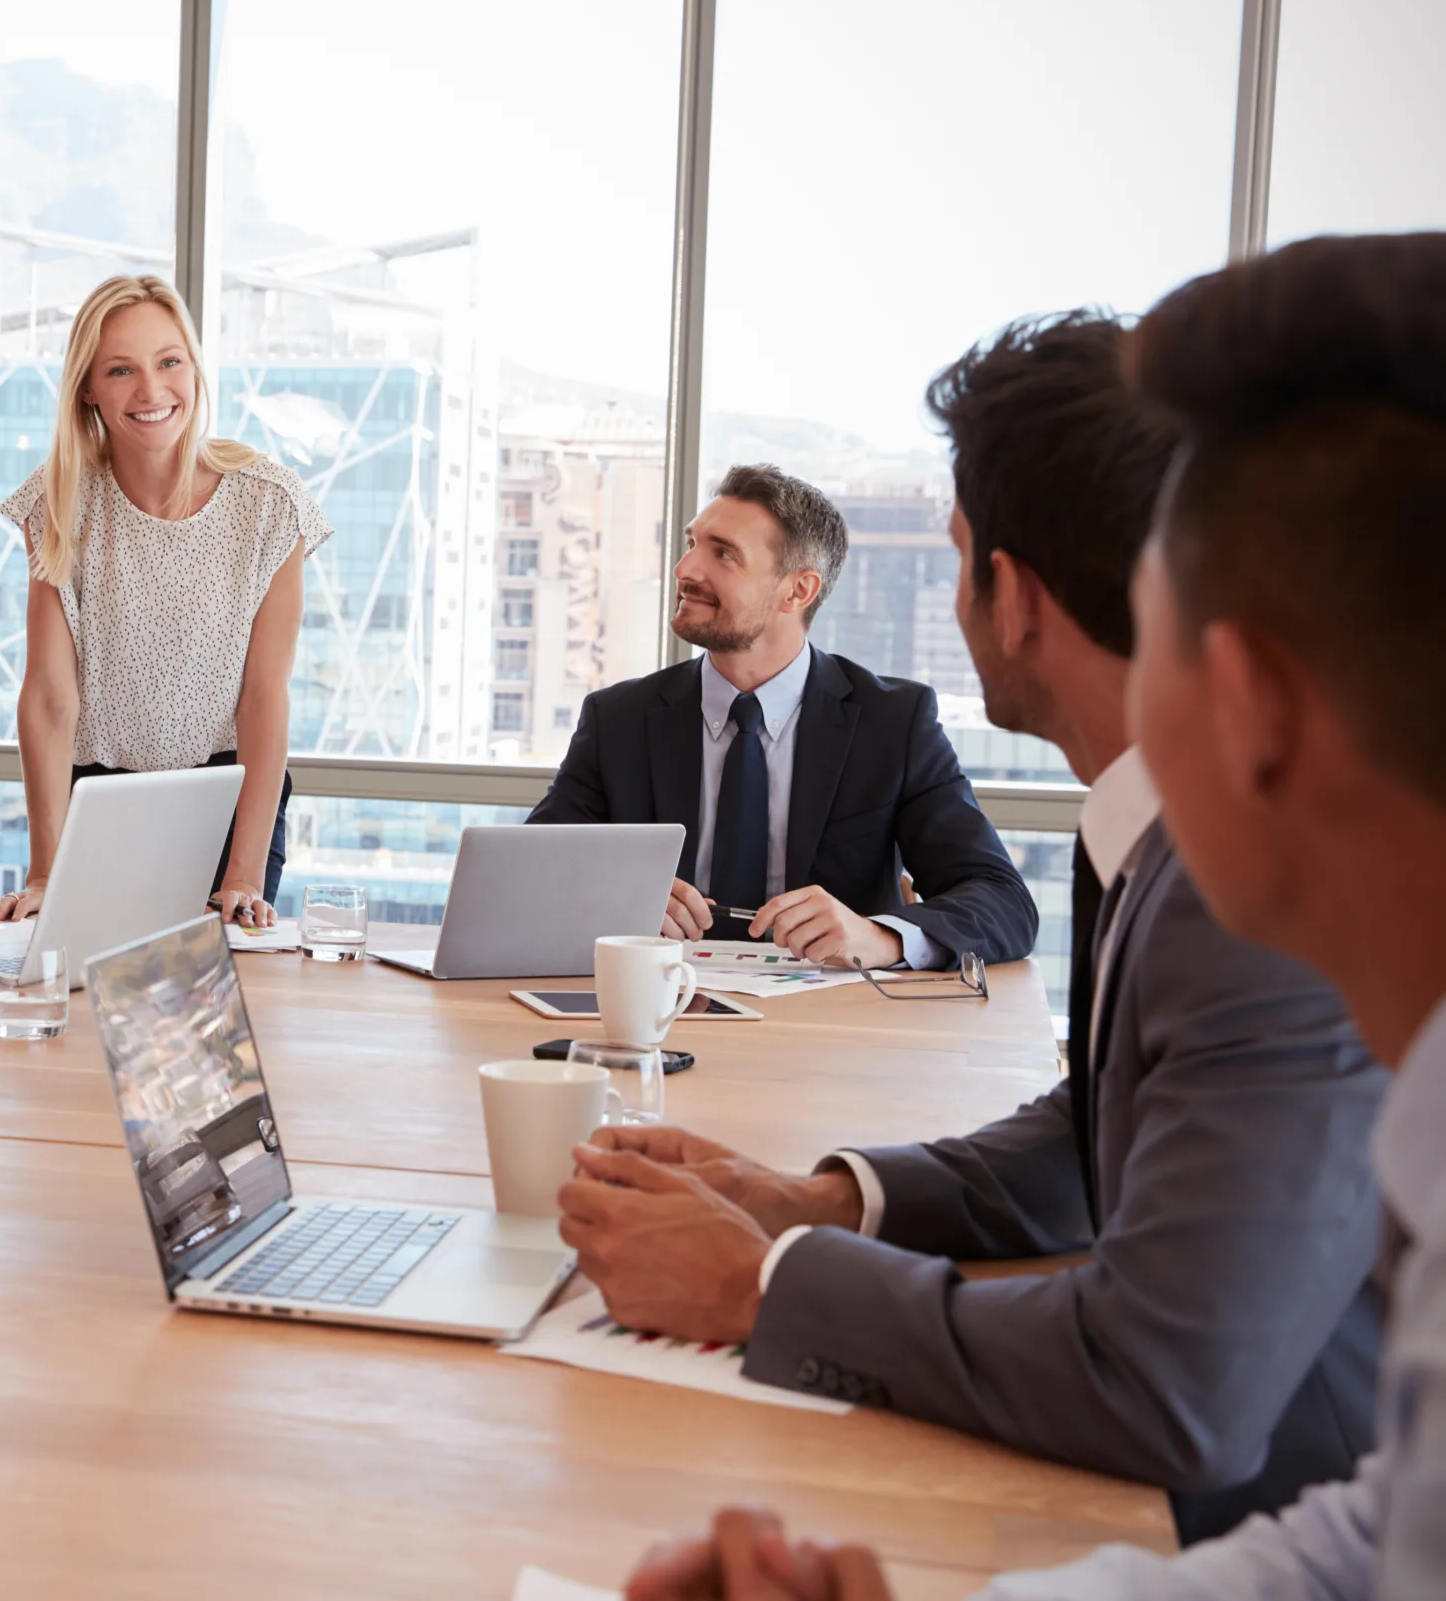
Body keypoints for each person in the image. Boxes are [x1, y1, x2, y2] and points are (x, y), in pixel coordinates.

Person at [621, 234, 1446, 1601]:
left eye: (1173, 600)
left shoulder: (1244, 914)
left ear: (1251, 697)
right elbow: (1382, 1539)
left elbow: (1175, 1379)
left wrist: (776, 1268)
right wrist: (820, 1198)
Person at [528, 464, 1035, 967]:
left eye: (722, 554)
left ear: (798, 591)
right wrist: (615, 898)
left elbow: (1002, 901)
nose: (685, 571)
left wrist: (879, 937)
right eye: (692, 545)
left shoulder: (892, 722)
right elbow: (527, 872)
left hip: (829, 1027)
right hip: (659, 1011)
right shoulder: (619, 719)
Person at [0, 274, 331, 932]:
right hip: (98, 797)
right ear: (88, 389)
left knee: (216, 989)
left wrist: (244, 873)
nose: (151, 391)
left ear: (195, 368)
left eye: (170, 362)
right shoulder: (59, 503)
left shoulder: (271, 505)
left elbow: (263, 697)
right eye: (120, 370)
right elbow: (51, 699)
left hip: (230, 798)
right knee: (86, 988)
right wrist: (45, 869)